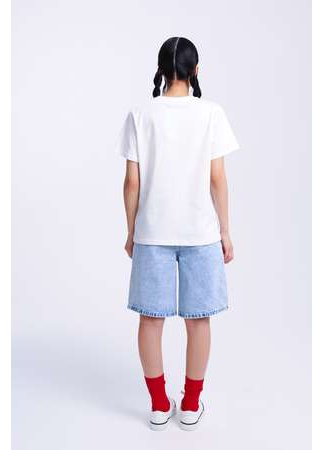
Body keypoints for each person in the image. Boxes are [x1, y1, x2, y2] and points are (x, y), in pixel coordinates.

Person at [116, 36, 239, 431]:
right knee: (198, 320)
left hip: (152, 233)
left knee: (151, 320)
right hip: (200, 233)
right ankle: (190, 404)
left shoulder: (140, 114)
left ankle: (157, 404)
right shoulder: (211, 113)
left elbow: (131, 183)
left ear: (160, 70)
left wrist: (132, 231)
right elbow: (217, 178)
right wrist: (225, 230)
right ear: (196, 70)